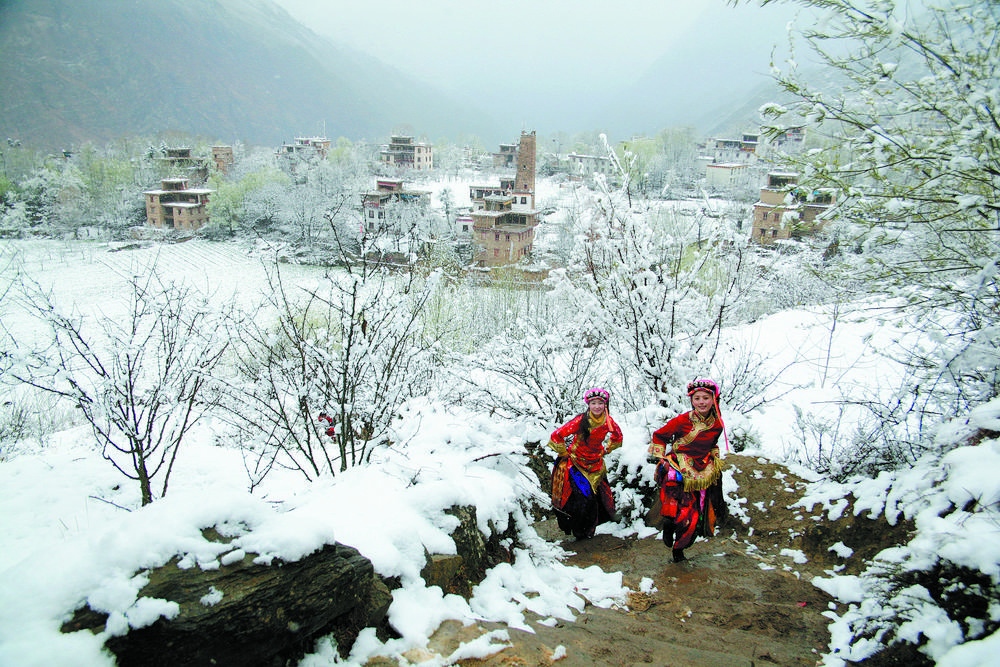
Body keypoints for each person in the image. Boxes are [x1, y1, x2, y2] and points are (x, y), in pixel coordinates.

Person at [649, 378, 729, 563]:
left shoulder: (717, 424)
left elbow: (713, 444)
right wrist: (662, 459)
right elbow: (659, 436)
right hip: (678, 465)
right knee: (677, 508)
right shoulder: (682, 420)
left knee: (695, 516)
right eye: (697, 398)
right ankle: (668, 526)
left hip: (702, 470)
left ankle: (680, 547)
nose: (701, 402)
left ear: (713, 399)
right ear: (691, 401)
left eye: (706, 398)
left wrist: (715, 459)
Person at [547, 387, 624, 540]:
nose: (597, 406)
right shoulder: (580, 421)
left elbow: (618, 437)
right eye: (593, 403)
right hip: (577, 464)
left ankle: (589, 531)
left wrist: (606, 450)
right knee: (584, 498)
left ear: (605, 405)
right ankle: (578, 530)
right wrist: (563, 453)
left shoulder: (609, 422)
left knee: (597, 500)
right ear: (588, 405)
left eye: (600, 403)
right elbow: (557, 435)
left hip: (596, 464)